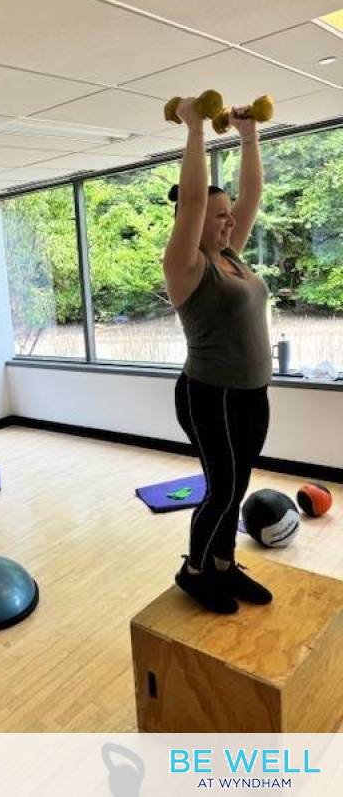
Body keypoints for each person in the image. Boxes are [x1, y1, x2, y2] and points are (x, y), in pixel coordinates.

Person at [163, 98, 273, 614]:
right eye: (220, 216)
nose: (230, 222)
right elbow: (191, 200)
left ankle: (224, 566)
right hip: (212, 394)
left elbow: (253, 195)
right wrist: (195, 128)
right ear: (195, 221)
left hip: (252, 394)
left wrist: (249, 136)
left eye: (230, 215)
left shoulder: (231, 256)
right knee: (222, 489)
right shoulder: (186, 266)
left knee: (238, 483)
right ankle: (195, 571)